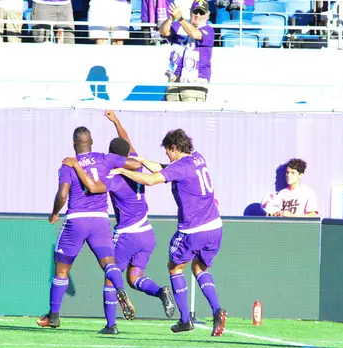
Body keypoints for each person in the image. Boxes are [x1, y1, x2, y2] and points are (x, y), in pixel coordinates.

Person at [62, 110, 176, 335]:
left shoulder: (113, 177)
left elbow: (94, 188)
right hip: (147, 233)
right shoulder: (138, 166)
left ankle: (111, 325)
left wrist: (76, 166)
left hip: (127, 234)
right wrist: (116, 121)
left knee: (110, 279)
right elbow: (127, 142)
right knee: (135, 278)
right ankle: (161, 292)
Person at [109, 128, 227, 336]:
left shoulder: (180, 167)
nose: (167, 155)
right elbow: (164, 168)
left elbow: (152, 180)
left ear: (174, 148)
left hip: (194, 229)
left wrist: (122, 171)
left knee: (174, 267)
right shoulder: (197, 158)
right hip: (215, 226)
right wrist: (143, 160)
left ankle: (184, 320)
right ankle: (217, 309)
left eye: (167, 151)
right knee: (199, 269)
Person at [37, 126, 141, 329]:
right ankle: (120, 290)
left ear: (74, 144)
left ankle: (54, 316)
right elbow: (136, 165)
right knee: (109, 263)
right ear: (91, 141)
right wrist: (117, 168)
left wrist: (55, 212)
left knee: (61, 270)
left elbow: (63, 193)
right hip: (100, 220)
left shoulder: (68, 164)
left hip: (77, 219)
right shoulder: (105, 158)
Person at [160, 0, 214, 102]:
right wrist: (170, 18)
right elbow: (164, 31)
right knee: (171, 114)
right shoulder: (179, 25)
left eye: (201, 12)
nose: (198, 15)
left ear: (207, 15)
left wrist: (179, 18)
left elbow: (195, 34)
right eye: (195, 11)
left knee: (192, 115)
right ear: (190, 12)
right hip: (174, 77)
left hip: (195, 79)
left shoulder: (209, 30)